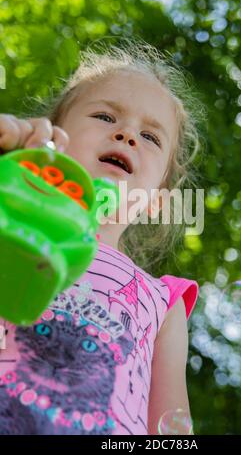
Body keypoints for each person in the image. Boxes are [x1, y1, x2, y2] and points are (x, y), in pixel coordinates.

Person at [0, 38, 207, 435]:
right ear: (53, 142)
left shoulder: (163, 302)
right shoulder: (12, 225)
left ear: (157, 201)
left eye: (150, 137)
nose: (128, 135)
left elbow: (172, 428)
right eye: (105, 117)